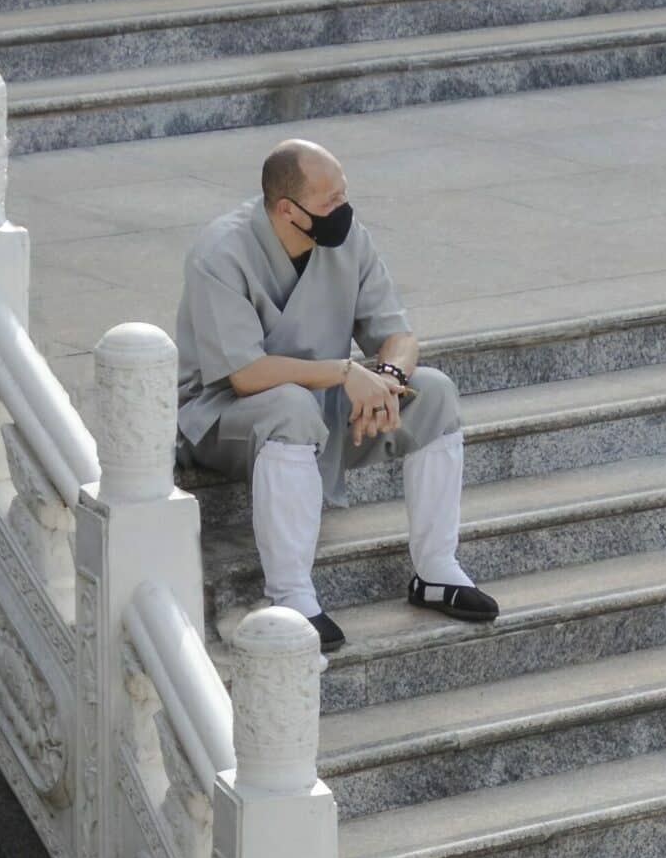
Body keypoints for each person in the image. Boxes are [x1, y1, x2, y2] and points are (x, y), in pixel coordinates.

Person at [175, 138, 498, 652]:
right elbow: (245, 374)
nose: (342, 211)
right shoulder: (221, 254)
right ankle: (292, 597)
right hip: (222, 417)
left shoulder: (349, 241)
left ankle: (436, 571)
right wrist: (347, 372)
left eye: (343, 195)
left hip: (319, 405)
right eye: (329, 203)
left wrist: (387, 378)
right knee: (289, 405)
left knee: (432, 391)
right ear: (287, 210)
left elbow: (399, 336)